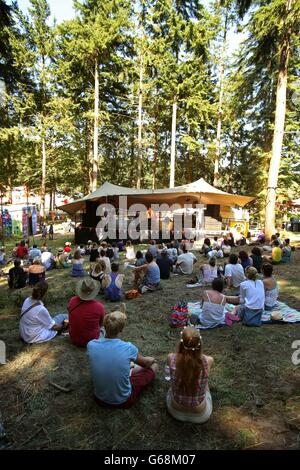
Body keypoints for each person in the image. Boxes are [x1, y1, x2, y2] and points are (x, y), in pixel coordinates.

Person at [87, 307, 159, 408]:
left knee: (129, 366)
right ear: (121, 330)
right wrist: (152, 359)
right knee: (154, 366)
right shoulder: (128, 348)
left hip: (99, 398)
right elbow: (145, 363)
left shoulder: (91, 345)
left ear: (104, 326)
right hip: (123, 401)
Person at [166, 327, 213, 423]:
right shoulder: (208, 361)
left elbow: (169, 377)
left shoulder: (171, 358)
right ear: (200, 344)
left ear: (181, 344)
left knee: (172, 386)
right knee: (206, 384)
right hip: (201, 415)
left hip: (175, 411)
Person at [68, 278, 105, 347]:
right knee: (107, 327)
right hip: (92, 341)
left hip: (73, 339)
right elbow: (101, 323)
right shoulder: (99, 307)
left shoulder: (72, 300)